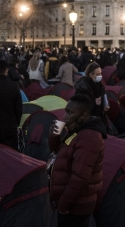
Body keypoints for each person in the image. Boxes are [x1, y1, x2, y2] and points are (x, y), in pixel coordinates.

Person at [49, 94, 107, 227]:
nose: (65, 116)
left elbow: (80, 177)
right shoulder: (77, 130)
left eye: (70, 112)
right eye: (66, 111)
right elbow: (59, 154)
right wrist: (54, 137)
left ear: (83, 115)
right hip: (70, 201)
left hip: (76, 205)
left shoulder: (89, 137)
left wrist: (63, 206)